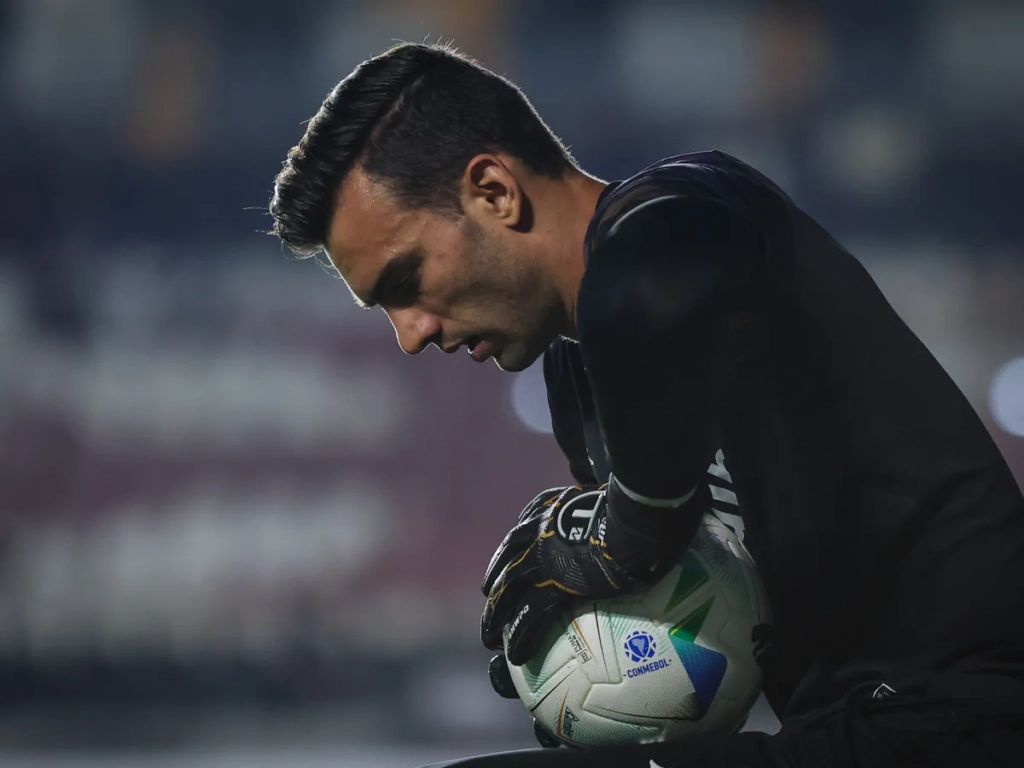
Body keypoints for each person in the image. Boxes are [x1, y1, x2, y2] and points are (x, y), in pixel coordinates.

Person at [268, 42, 1024, 768]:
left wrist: (628, 532)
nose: (409, 336)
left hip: (970, 715)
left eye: (405, 281)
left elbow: (654, 288)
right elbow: (715, 609)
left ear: (493, 191)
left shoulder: (689, 208)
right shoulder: (577, 378)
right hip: (849, 729)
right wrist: (584, 665)